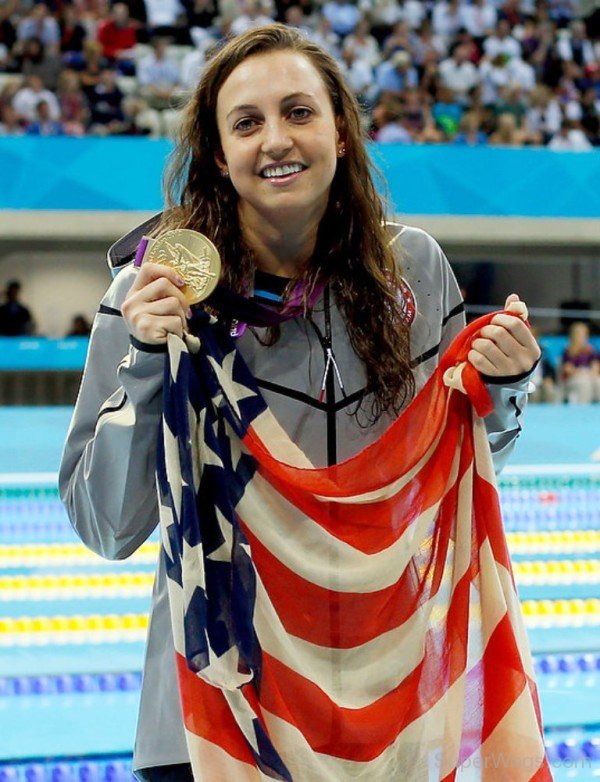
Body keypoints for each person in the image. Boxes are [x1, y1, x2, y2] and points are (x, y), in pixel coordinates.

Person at [60, 24, 545, 781]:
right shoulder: (151, 293)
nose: (275, 140)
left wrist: (507, 390)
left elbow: (450, 469)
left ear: (341, 133)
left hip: (385, 709)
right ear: (218, 154)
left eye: (299, 112)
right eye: (246, 123)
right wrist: (149, 360)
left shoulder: (411, 269)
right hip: (216, 711)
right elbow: (106, 526)